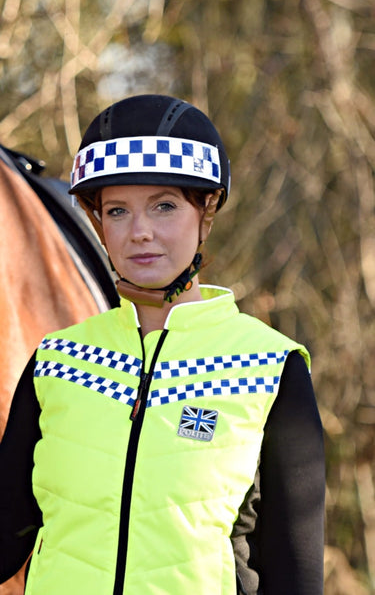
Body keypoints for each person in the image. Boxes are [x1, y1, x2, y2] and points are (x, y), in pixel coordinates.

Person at [0, 94, 325, 595]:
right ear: (99, 223)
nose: (140, 233)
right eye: (118, 211)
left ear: (206, 211)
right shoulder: (57, 363)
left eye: (165, 206)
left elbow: (295, 574)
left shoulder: (270, 367)